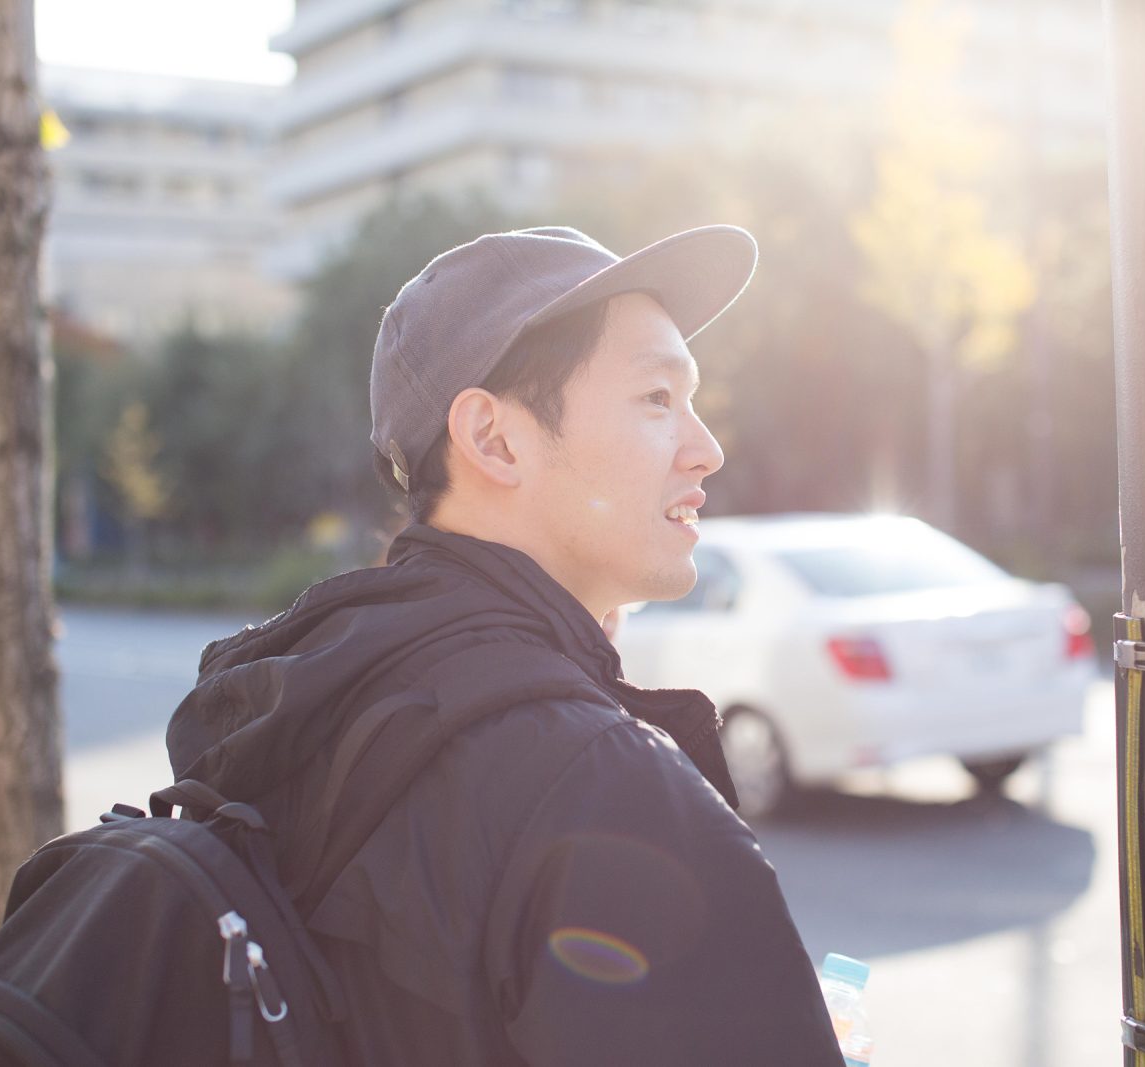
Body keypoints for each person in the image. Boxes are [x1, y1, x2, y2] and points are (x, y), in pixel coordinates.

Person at [165, 225, 845, 1065]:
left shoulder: (294, 703)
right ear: (493, 439)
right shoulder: (604, 790)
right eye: (655, 399)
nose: (705, 449)